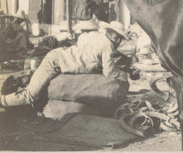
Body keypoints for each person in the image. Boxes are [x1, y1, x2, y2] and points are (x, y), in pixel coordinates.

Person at [0, 21, 129, 108]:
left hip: (60, 60)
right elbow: (109, 72)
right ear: (111, 34)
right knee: (30, 96)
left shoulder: (97, 37)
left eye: (120, 39)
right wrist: (124, 74)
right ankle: (3, 101)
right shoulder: (108, 45)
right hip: (55, 61)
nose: (118, 41)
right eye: (118, 37)